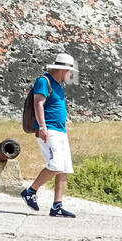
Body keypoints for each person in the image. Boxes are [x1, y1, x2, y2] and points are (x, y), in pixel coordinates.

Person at [20, 53, 79, 218]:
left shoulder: (58, 85)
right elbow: (38, 102)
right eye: (69, 71)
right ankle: (30, 191)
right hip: (49, 130)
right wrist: (43, 127)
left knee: (64, 168)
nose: (70, 75)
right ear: (62, 70)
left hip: (60, 131)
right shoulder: (43, 81)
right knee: (56, 164)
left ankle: (57, 206)